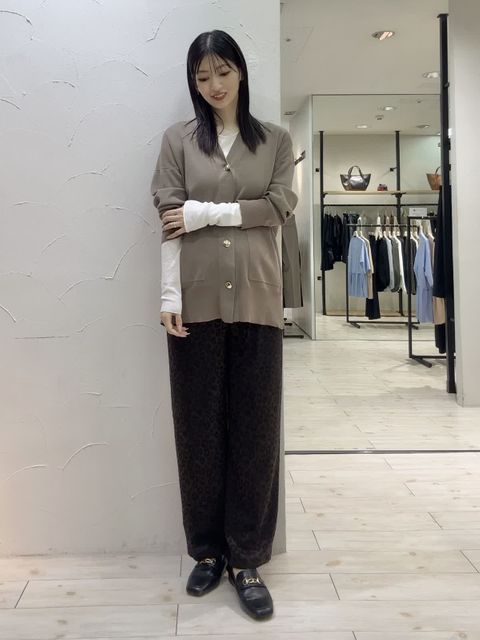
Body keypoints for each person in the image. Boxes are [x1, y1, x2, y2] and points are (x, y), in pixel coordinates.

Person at [150, 29, 298, 620]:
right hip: (195, 302)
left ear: (241, 72)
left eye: (223, 72)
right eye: (202, 76)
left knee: (256, 433)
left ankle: (248, 559)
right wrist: (169, 294)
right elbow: (169, 218)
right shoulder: (178, 140)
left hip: (258, 302)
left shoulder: (276, 141)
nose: (214, 85)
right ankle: (208, 551)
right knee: (198, 432)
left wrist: (204, 213)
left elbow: (279, 207)